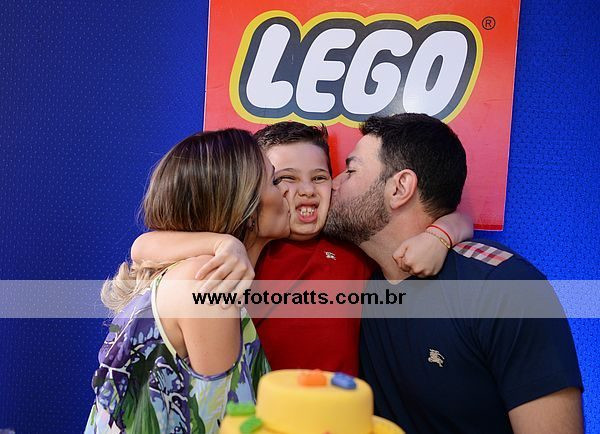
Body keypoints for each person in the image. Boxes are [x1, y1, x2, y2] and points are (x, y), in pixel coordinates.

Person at [130, 121, 473, 376]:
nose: (306, 190)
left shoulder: (349, 241)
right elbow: (144, 246)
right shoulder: (250, 250)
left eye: (320, 177)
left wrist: (439, 236)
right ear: (250, 193)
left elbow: (457, 217)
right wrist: (224, 244)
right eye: (282, 179)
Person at [323, 113, 584, 433]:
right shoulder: (353, 281)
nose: (332, 184)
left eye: (351, 171)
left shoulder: (504, 288)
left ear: (400, 188)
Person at [85, 129, 290, 433]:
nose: (285, 191)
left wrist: (225, 244)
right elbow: (220, 426)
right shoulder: (204, 282)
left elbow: (141, 246)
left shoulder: (193, 272)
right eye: (274, 181)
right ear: (246, 206)